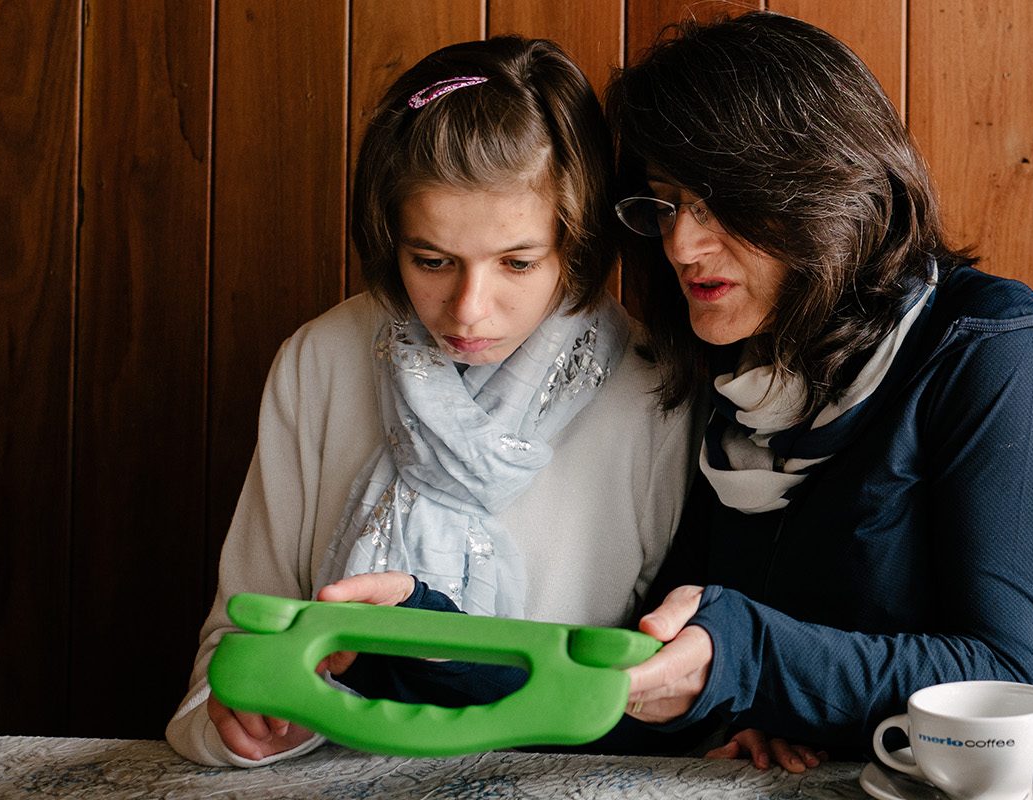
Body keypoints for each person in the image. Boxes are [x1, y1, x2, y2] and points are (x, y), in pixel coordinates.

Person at [164, 36, 694, 768]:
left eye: (517, 261)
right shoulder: (323, 360)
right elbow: (235, 642)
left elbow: (666, 701)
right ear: (390, 239)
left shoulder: (654, 391)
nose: (469, 309)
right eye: (433, 261)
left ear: (577, 240)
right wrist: (250, 718)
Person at [604, 12, 1033, 756]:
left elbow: (1012, 679)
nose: (682, 243)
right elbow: (676, 655)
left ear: (825, 190)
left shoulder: (996, 358)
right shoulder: (743, 373)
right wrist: (428, 646)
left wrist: (747, 665)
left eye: (721, 202)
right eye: (668, 202)